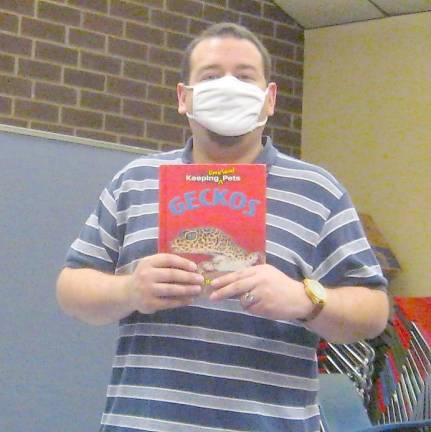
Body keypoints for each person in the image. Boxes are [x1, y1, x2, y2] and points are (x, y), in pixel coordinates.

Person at [56, 22, 389, 432]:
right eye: (211, 76)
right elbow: (71, 289)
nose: (229, 86)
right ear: (184, 97)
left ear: (270, 100)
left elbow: (374, 312)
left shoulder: (319, 190)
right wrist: (128, 290)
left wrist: (305, 299)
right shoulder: (136, 180)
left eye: (245, 76)